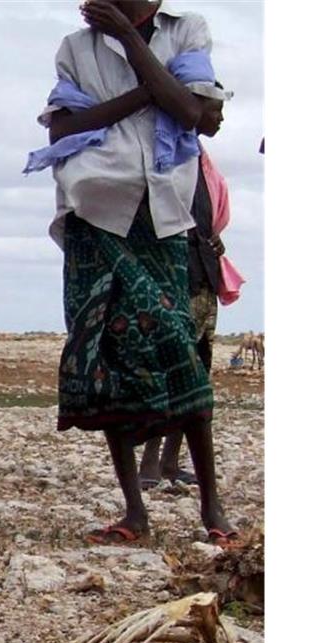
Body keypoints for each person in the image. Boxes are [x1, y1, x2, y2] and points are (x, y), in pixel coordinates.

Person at [29, 0, 239, 546]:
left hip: (165, 215)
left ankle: (213, 507)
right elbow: (65, 130)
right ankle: (134, 513)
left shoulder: (187, 29)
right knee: (107, 356)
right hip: (94, 212)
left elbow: (196, 116)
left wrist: (129, 37)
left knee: (179, 347)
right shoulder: (76, 47)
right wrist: (155, 90)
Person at [139, 82, 233, 489]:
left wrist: (214, 240)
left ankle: (170, 462)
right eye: (215, 110)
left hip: (202, 276)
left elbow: (204, 217)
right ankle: (149, 464)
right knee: (171, 370)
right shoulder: (172, 157)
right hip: (176, 277)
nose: (221, 118)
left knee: (196, 373)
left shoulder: (201, 162)